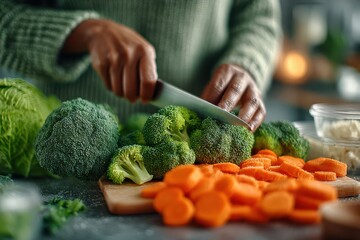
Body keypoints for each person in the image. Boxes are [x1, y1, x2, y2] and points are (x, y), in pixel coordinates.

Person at [0, 0, 281, 131]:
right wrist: (83, 32)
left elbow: (259, 18)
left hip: (193, 156)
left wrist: (247, 63)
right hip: (61, 151)